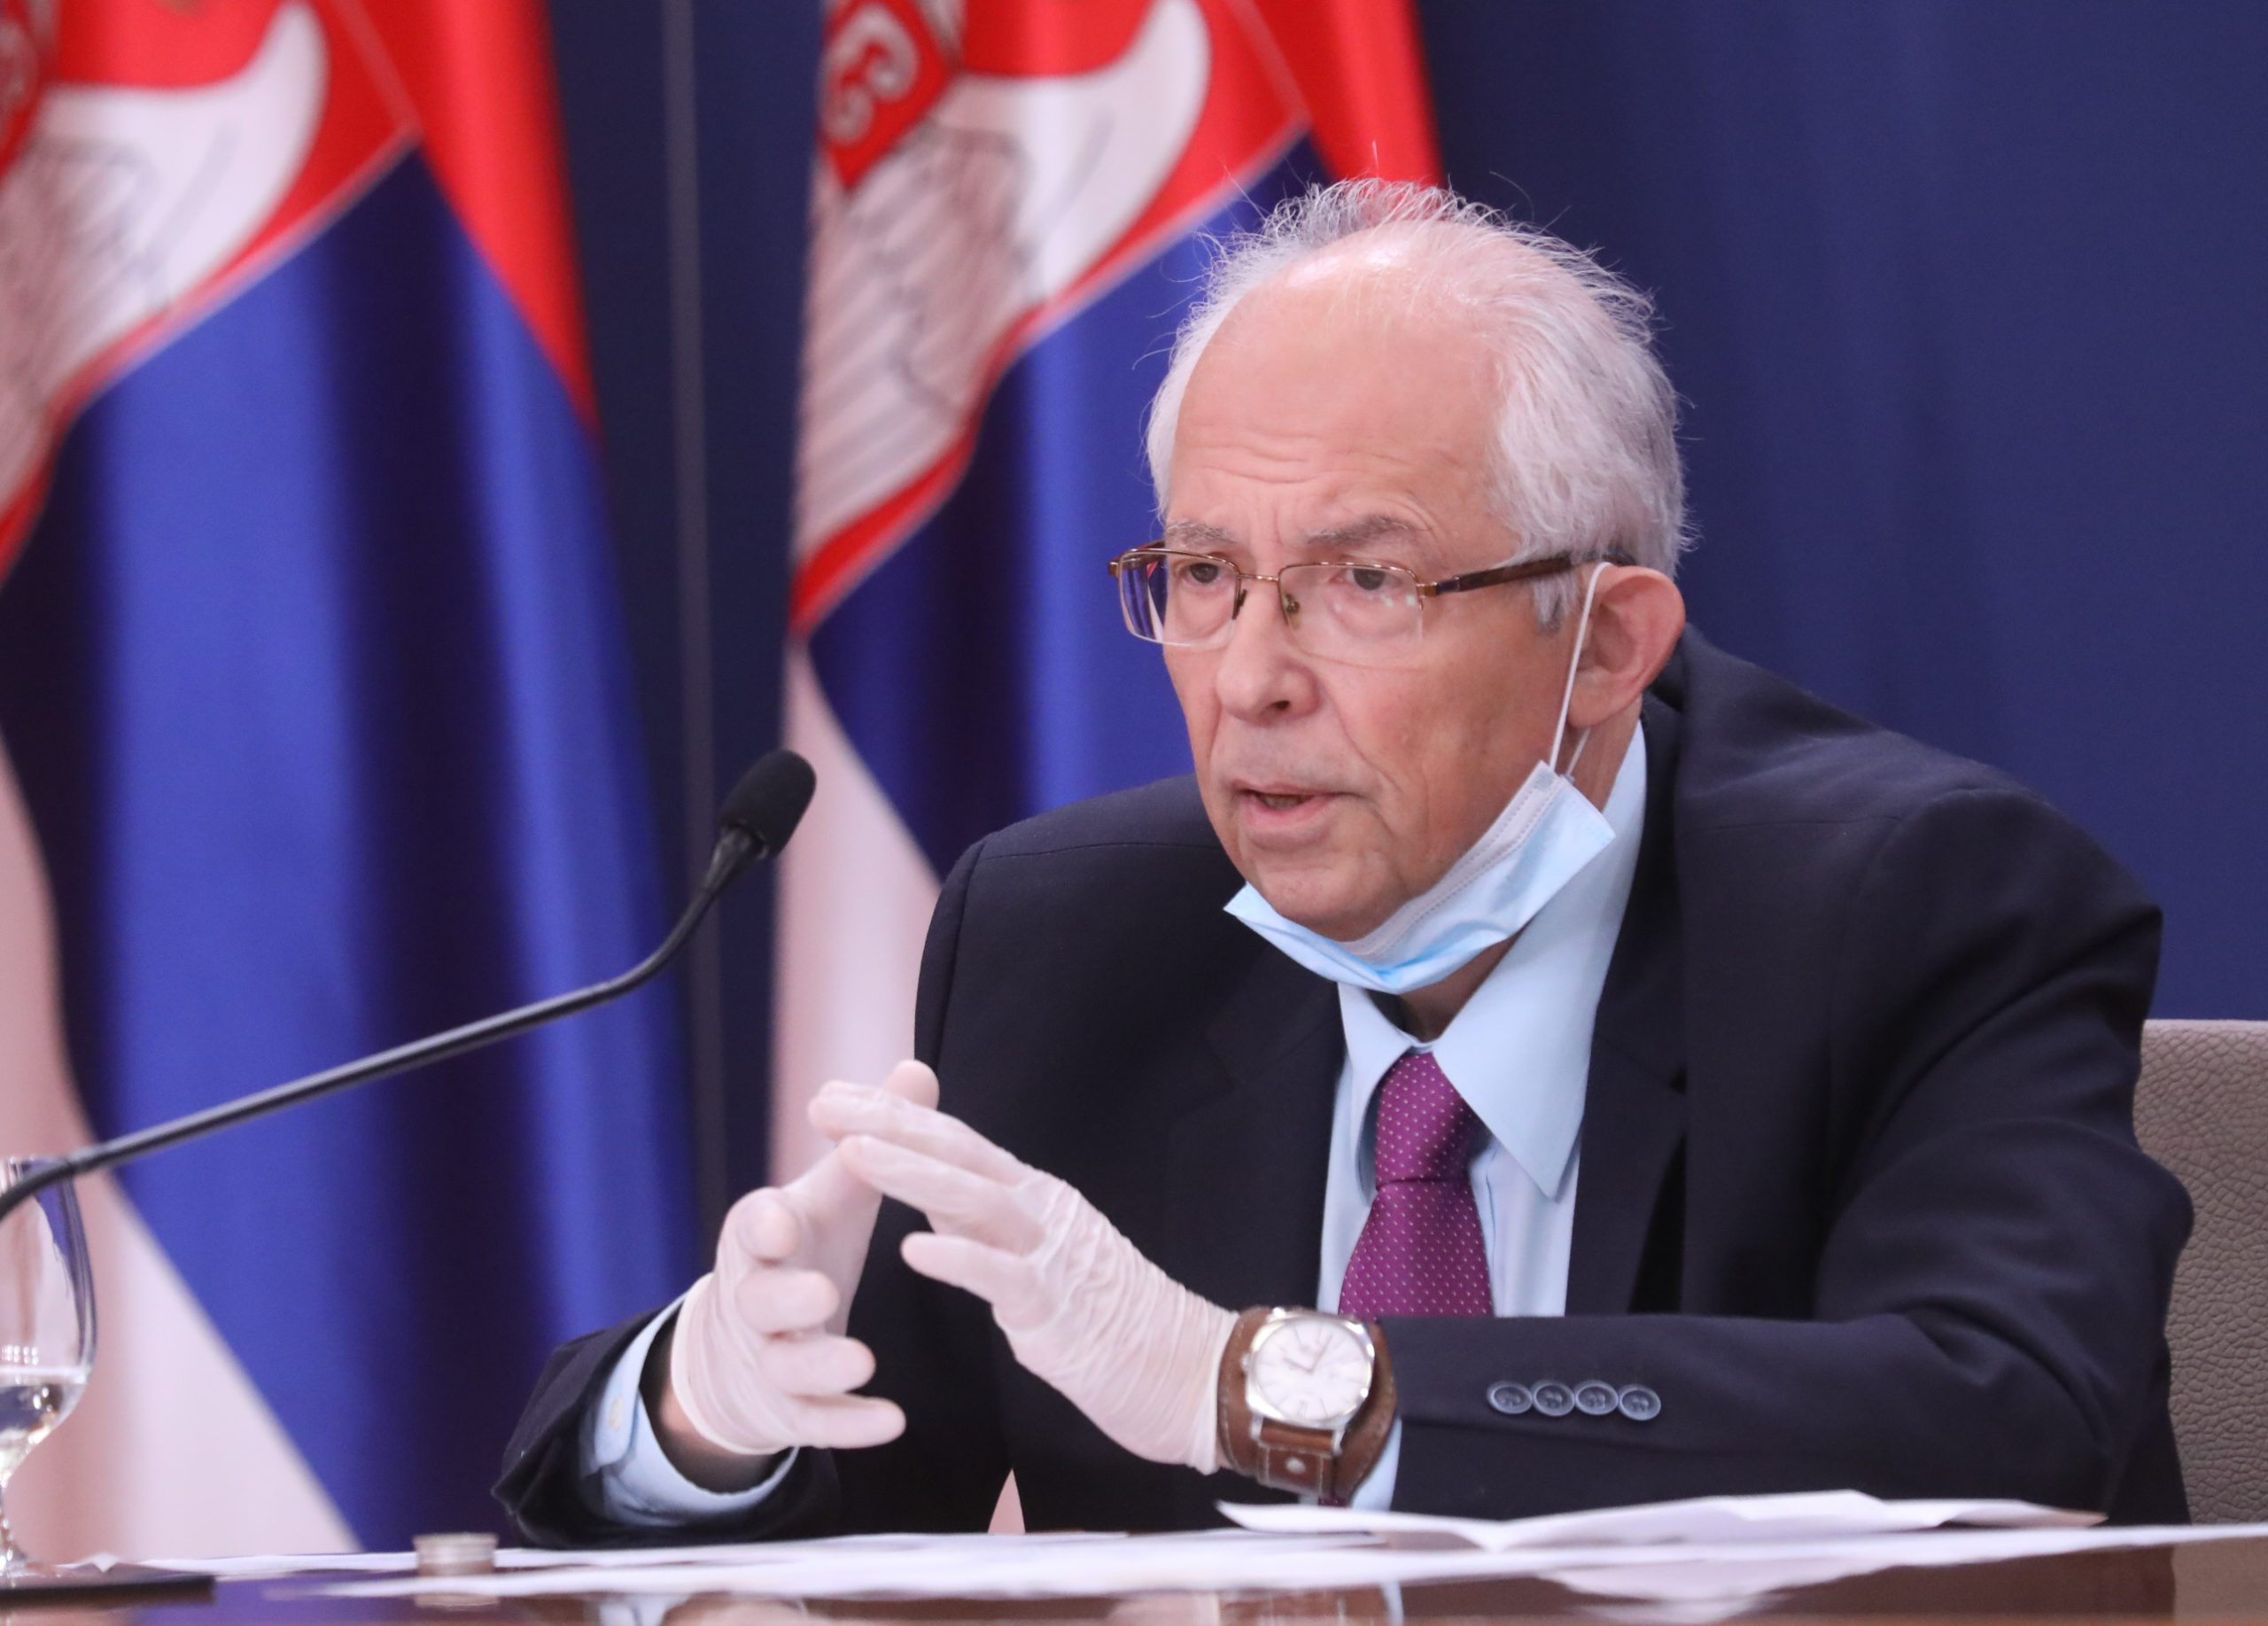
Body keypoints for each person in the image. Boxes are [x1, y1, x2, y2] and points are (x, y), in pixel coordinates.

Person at [497, 181, 2189, 1542]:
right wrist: (705, 1413)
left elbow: (2010, 1414)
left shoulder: (1916, 904)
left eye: (1365, 583)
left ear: (1607, 645)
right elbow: (866, 1495)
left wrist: (1270, 1390)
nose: (1250, 679)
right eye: (1206, 575)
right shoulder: (1069, 938)